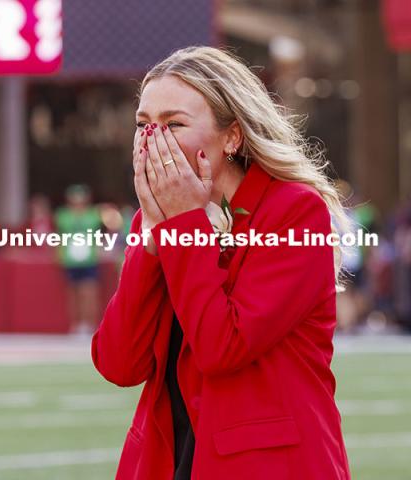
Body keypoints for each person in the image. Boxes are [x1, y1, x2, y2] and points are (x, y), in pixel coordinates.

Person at [91, 46, 352, 479]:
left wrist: (182, 227)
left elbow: (222, 348)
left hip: (269, 465)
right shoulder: (156, 217)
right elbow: (119, 363)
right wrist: (155, 239)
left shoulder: (295, 211)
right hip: (171, 457)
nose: (153, 139)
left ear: (232, 137)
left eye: (173, 124)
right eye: (143, 125)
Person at [55, 184, 103, 334]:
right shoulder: (63, 215)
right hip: (70, 260)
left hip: (89, 260)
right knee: (73, 294)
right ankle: (76, 325)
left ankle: (90, 324)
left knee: (88, 293)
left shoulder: (93, 214)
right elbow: (61, 232)